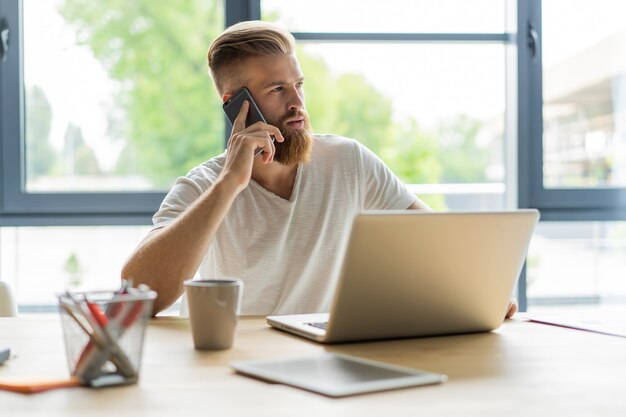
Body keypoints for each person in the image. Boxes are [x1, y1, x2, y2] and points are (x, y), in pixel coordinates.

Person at [122, 20, 517, 319]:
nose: (298, 103)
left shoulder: (349, 161)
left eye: (299, 85)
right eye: (278, 89)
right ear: (235, 104)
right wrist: (229, 184)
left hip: (323, 363)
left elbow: (439, 244)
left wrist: (484, 290)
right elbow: (137, 292)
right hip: (229, 371)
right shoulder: (203, 188)